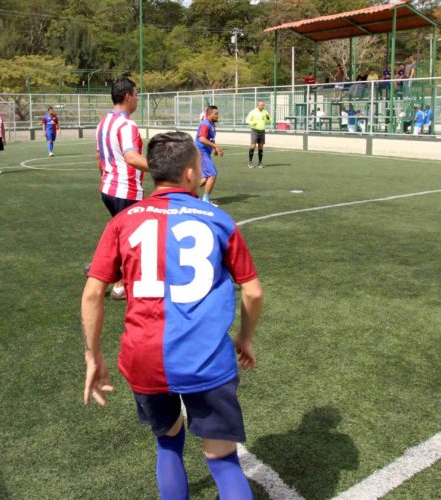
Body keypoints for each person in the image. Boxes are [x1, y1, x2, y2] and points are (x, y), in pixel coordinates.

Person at [82, 130, 264, 500]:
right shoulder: (217, 219)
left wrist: (93, 355)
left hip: (144, 356)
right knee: (223, 461)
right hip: (206, 357)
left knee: (167, 444)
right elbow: (254, 290)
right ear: (190, 174)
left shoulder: (123, 221)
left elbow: (93, 293)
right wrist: (244, 339)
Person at [95, 77, 152, 299]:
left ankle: (113, 277)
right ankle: (119, 283)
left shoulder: (103, 122)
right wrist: (164, 168)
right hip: (126, 191)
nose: (138, 98)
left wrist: (106, 180)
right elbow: (131, 157)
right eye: (136, 94)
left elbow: (99, 157)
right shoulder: (128, 124)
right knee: (135, 239)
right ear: (127, 96)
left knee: (122, 236)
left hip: (108, 189)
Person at [195, 105, 224, 205]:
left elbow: (210, 138)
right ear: (209, 114)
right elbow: (202, 139)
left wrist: (214, 148)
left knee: (206, 178)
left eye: (218, 113)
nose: (218, 115)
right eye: (216, 113)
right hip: (201, 152)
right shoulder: (205, 124)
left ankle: (186, 193)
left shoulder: (212, 124)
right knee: (212, 174)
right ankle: (206, 200)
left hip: (205, 152)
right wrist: (216, 146)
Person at [244, 101, 271, 168]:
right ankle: (250, 162)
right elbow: (247, 120)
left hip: (262, 131)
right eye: (261, 105)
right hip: (254, 130)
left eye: (263, 105)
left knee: (261, 146)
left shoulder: (265, 112)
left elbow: (269, 121)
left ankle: (260, 162)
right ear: (257, 105)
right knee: (253, 146)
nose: (262, 106)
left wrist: (268, 118)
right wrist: (252, 123)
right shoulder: (253, 112)